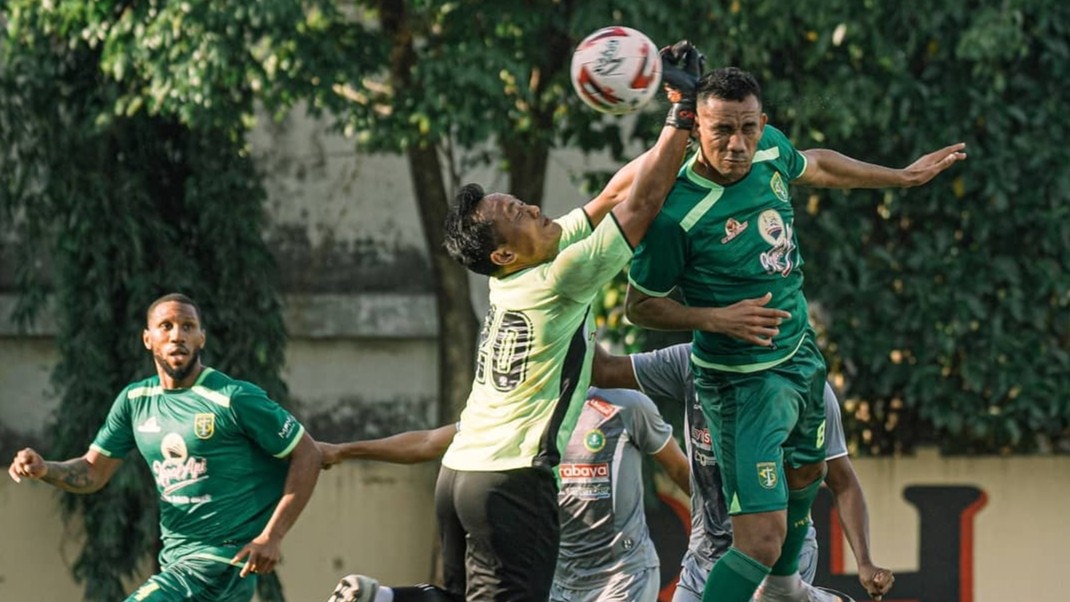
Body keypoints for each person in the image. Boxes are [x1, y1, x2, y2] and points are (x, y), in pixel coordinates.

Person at [373, 41, 703, 602]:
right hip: (511, 482)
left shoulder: (521, 274)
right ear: (502, 254)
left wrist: (675, 118)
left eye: (519, 200)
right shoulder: (560, 276)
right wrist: (683, 111)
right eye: (513, 213)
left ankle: (383, 597)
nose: (529, 206)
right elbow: (640, 208)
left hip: (458, 478)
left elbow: (614, 193)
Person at [624, 66, 963, 602]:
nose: (738, 144)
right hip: (742, 384)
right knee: (758, 541)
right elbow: (639, 306)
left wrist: (901, 176)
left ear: (763, 123)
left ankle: (785, 589)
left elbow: (819, 165)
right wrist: (716, 319)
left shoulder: (769, 151)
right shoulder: (676, 214)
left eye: (749, 127)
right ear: (696, 130)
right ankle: (771, 582)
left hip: (801, 357)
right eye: (722, 131)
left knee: (807, 474)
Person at [7, 293, 322, 602]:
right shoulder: (134, 401)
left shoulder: (232, 397)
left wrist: (272, 536)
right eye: (166, 326)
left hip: (218, 563)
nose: (177, 335)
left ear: (201, 338)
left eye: (187, 326)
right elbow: (92, 472)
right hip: (178, 562)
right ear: (148, 339)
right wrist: (46, 469)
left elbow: (307, 453)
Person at [321, 387, 691, 602]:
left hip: (623, 574)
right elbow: (430, 441)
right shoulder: (515, 412)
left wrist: (723, 522)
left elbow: (679, 470)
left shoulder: (627, 407)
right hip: (558, 576)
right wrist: (345, 449)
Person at [592, 342, 895, 602]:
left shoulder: (805, 384)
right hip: (705, 555)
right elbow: (603, 369)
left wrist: (865, 562)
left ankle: (794, 589)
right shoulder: (689, 361)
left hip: (775, 558)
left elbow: (843, 482)